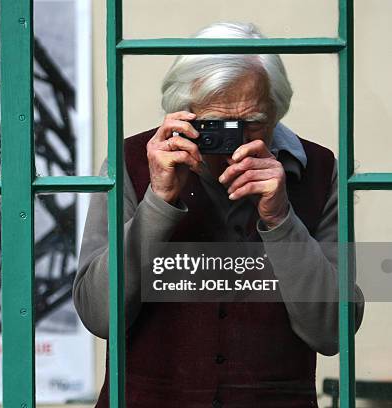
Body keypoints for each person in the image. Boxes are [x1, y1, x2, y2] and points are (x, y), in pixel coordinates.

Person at [73, 22, 365, 408]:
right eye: (214, 125)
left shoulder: (318, 170)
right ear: (182, 112)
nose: (233, 143)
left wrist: (281, 219)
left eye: (253, 123)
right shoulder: (131, 163)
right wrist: (159, 200)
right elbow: (98, 315)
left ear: (278, 111)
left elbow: (334, 332)